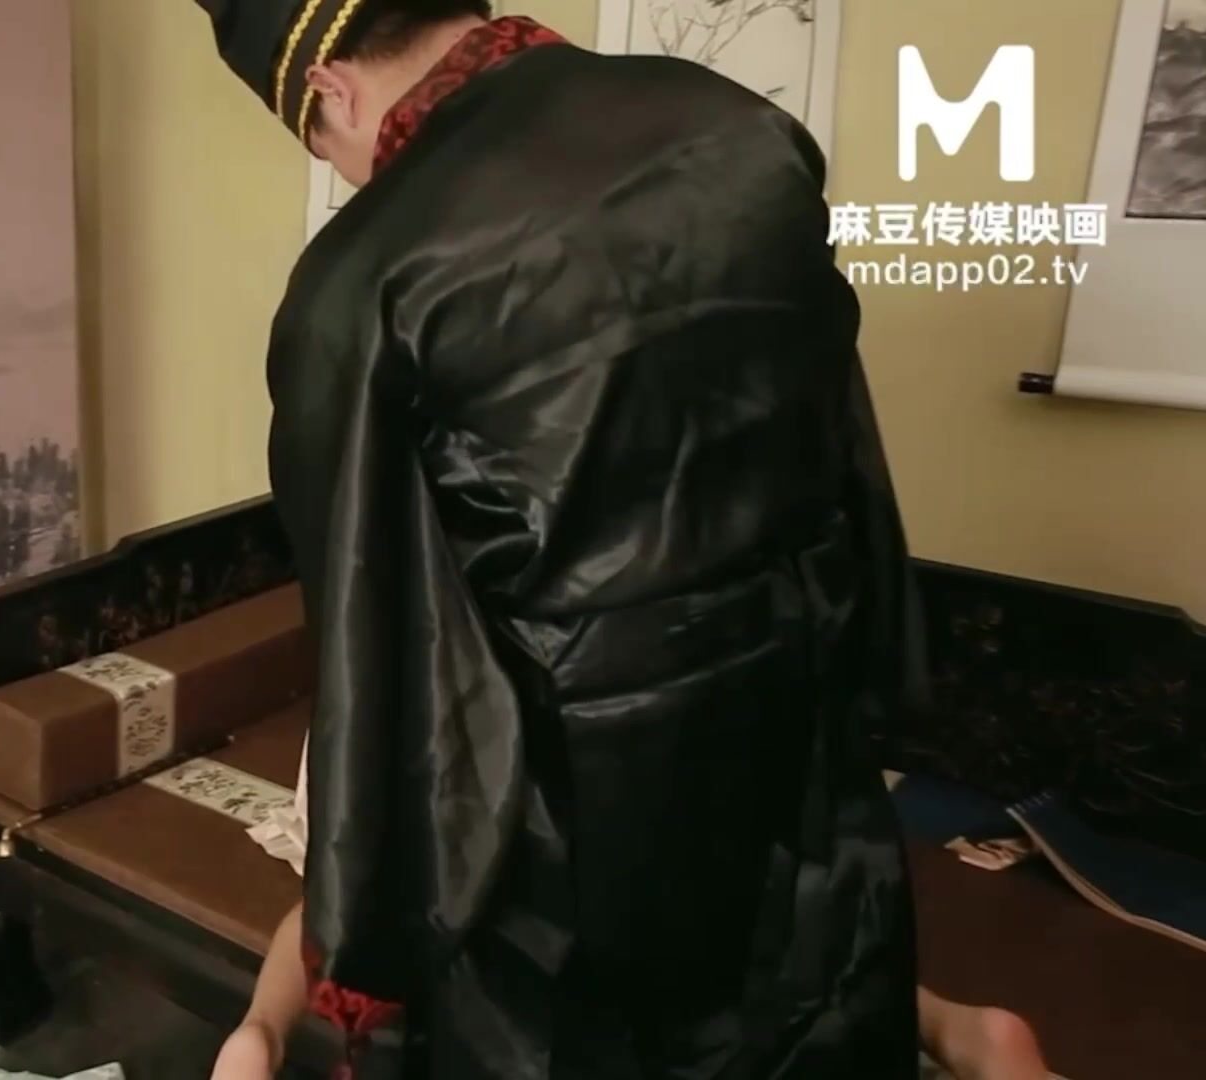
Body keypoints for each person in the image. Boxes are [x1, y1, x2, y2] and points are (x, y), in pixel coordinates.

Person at [189, 1, 1053, 1077]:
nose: (349, 171)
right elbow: (840, 448)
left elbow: (377, 624)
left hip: (574, 785)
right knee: (804, 997)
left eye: (325, 146)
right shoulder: (739, 131)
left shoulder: (361, 280)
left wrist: (362, 924)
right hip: (789, 706)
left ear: (329, 89)